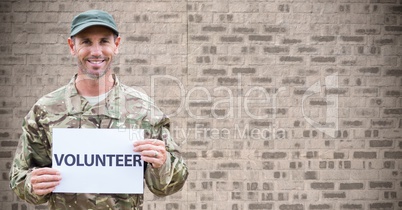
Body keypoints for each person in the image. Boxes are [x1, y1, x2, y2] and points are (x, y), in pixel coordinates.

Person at [9, 10, 188, 210]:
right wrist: (32, 185)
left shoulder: (143, 110)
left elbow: (168, 186)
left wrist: (162, 163)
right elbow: (19, 177)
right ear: (72, 46)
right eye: (86, 42)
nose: (96, 52)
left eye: (104, 41)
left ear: (116, 45)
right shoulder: (45, 110)